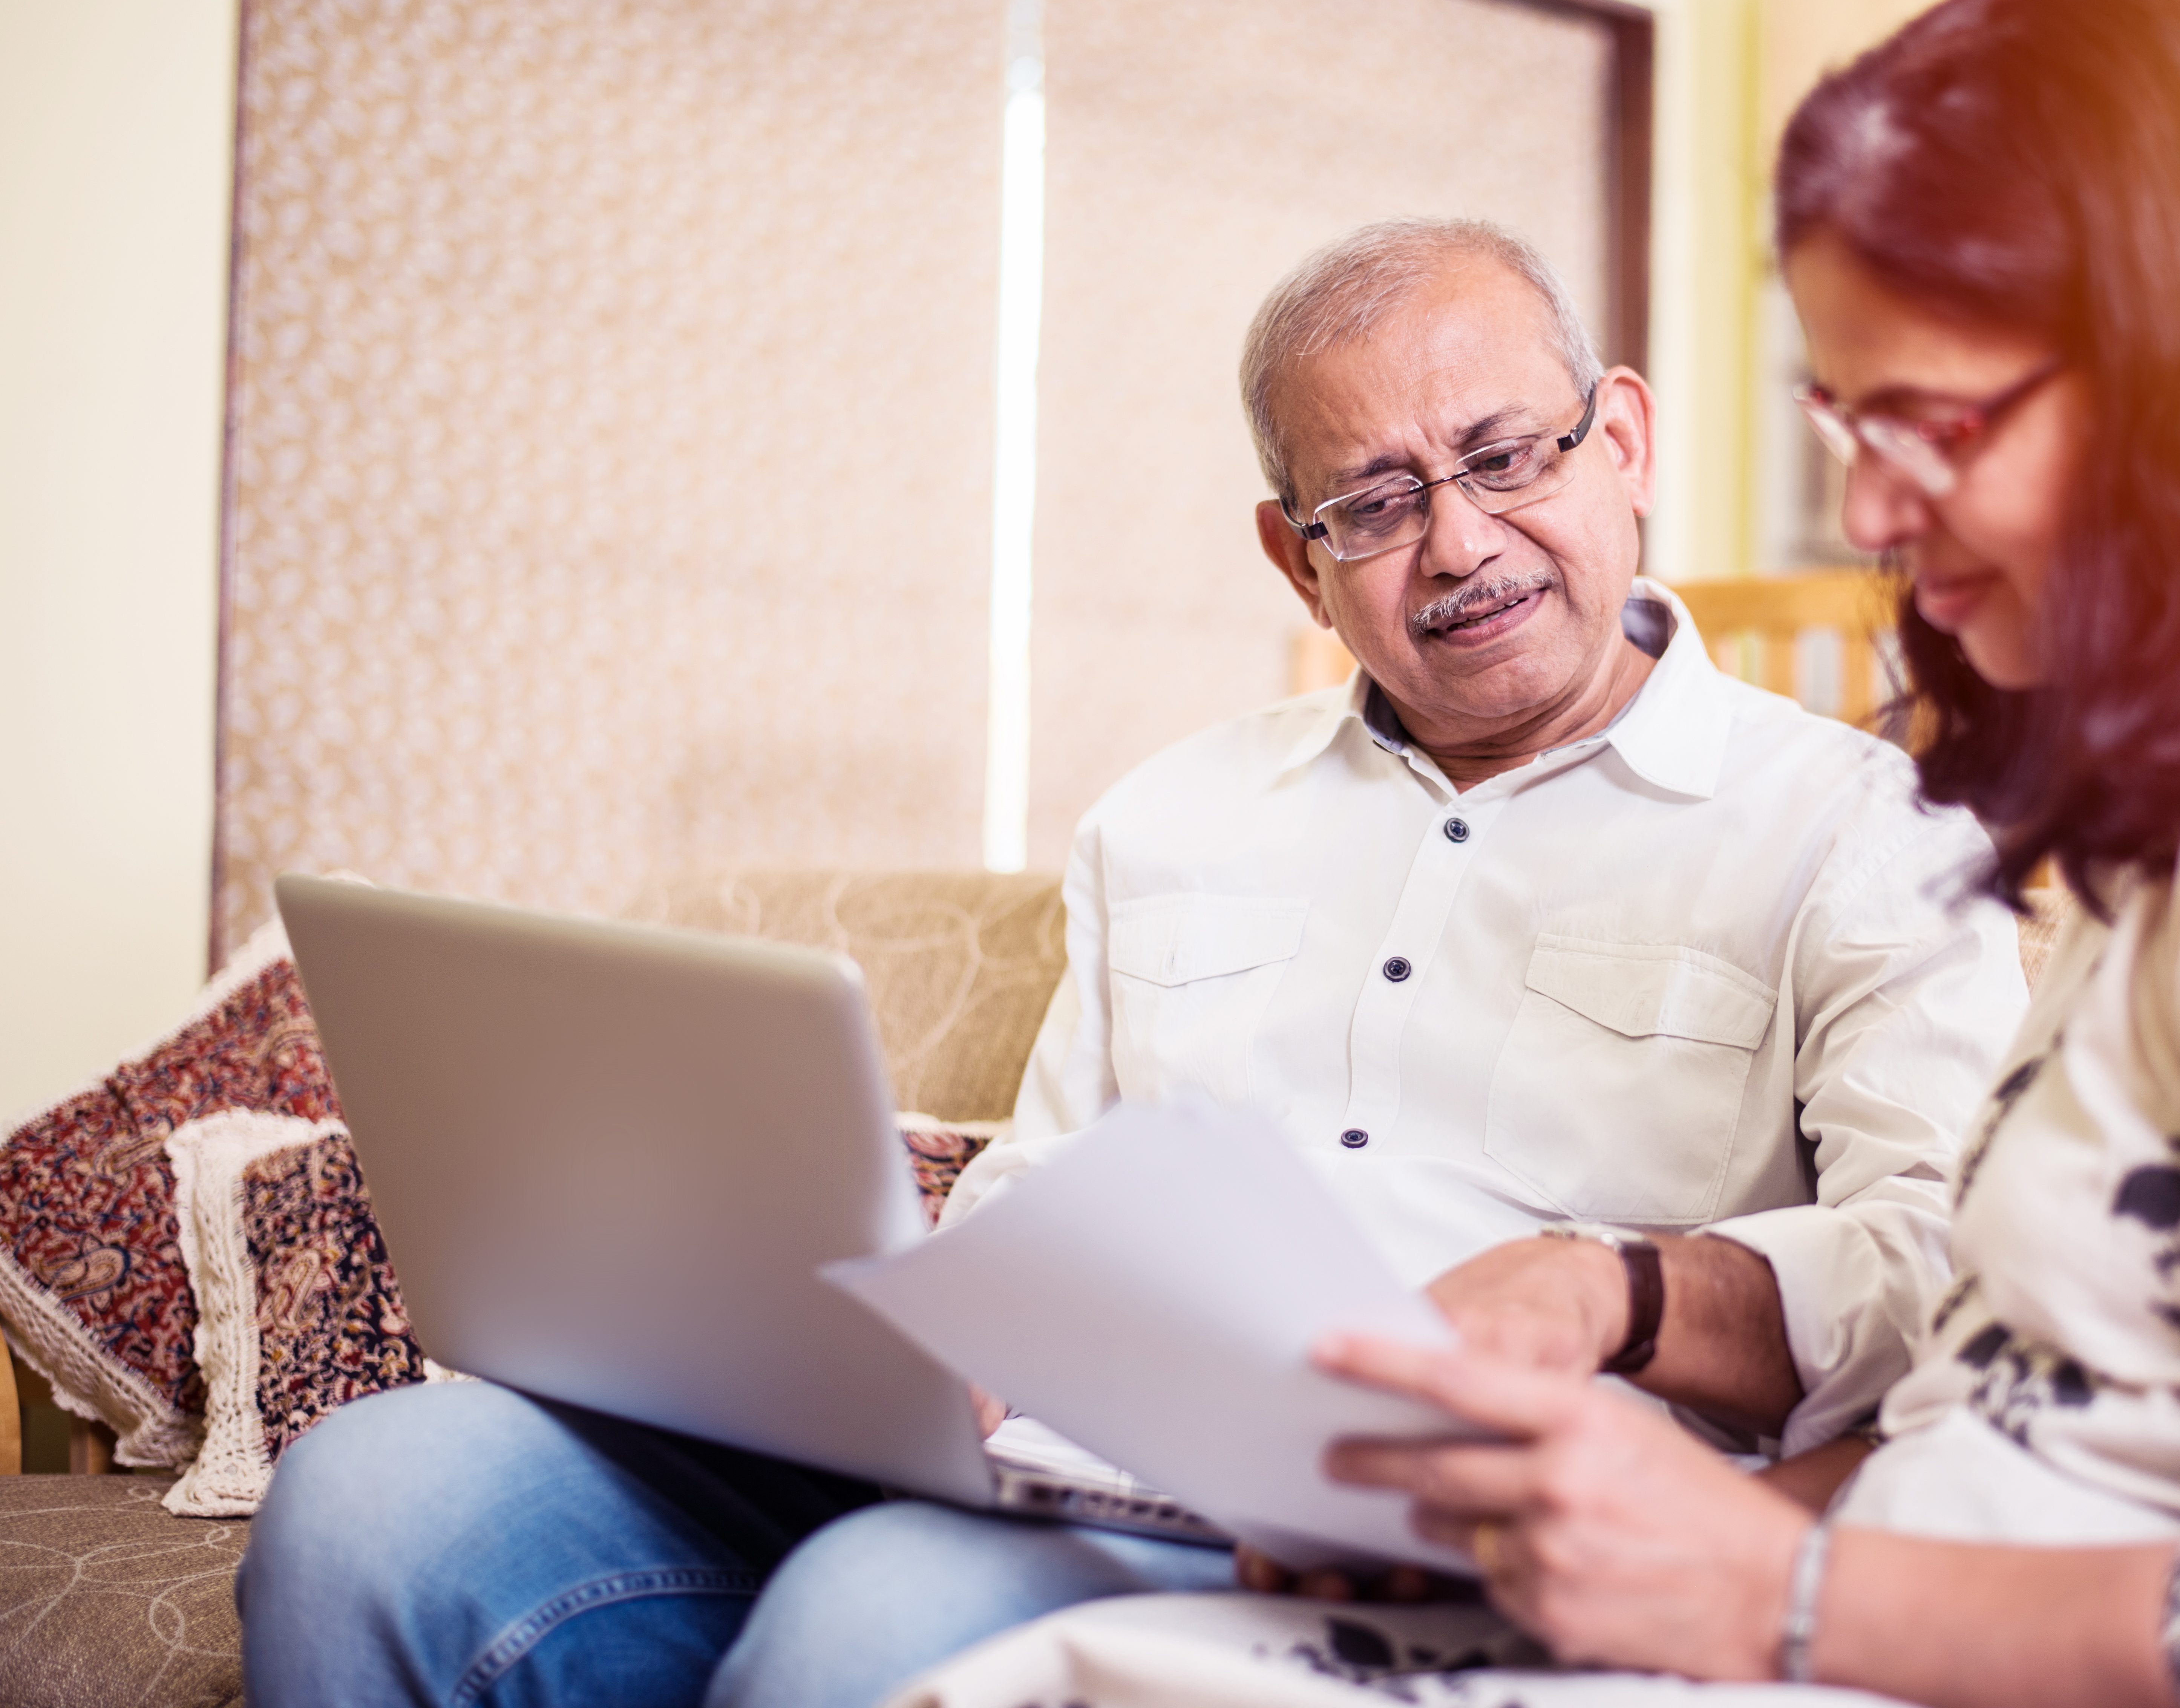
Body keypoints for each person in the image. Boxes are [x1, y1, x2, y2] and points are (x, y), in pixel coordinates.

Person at [910, 0, 2180, 1708]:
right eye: (1849, 419)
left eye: (1932, 421)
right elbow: (2056, 1425)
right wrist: (1637, 1511)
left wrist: (1768, 1592)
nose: (1869, 508)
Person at [236, 218, 2030, 1707]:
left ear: (1619, 440)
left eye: (1506, 457)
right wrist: (946, 1326)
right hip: (1071, 1456)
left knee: (878, 1613)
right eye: (1373, 502)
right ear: (1294, 559)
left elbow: (1958, 1280)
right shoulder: (1170, 813)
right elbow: (1047, 1178)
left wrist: (1615, 1283)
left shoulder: (1863, 827)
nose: (1461, 542)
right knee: (371, 1496)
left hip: (1450, 1530)